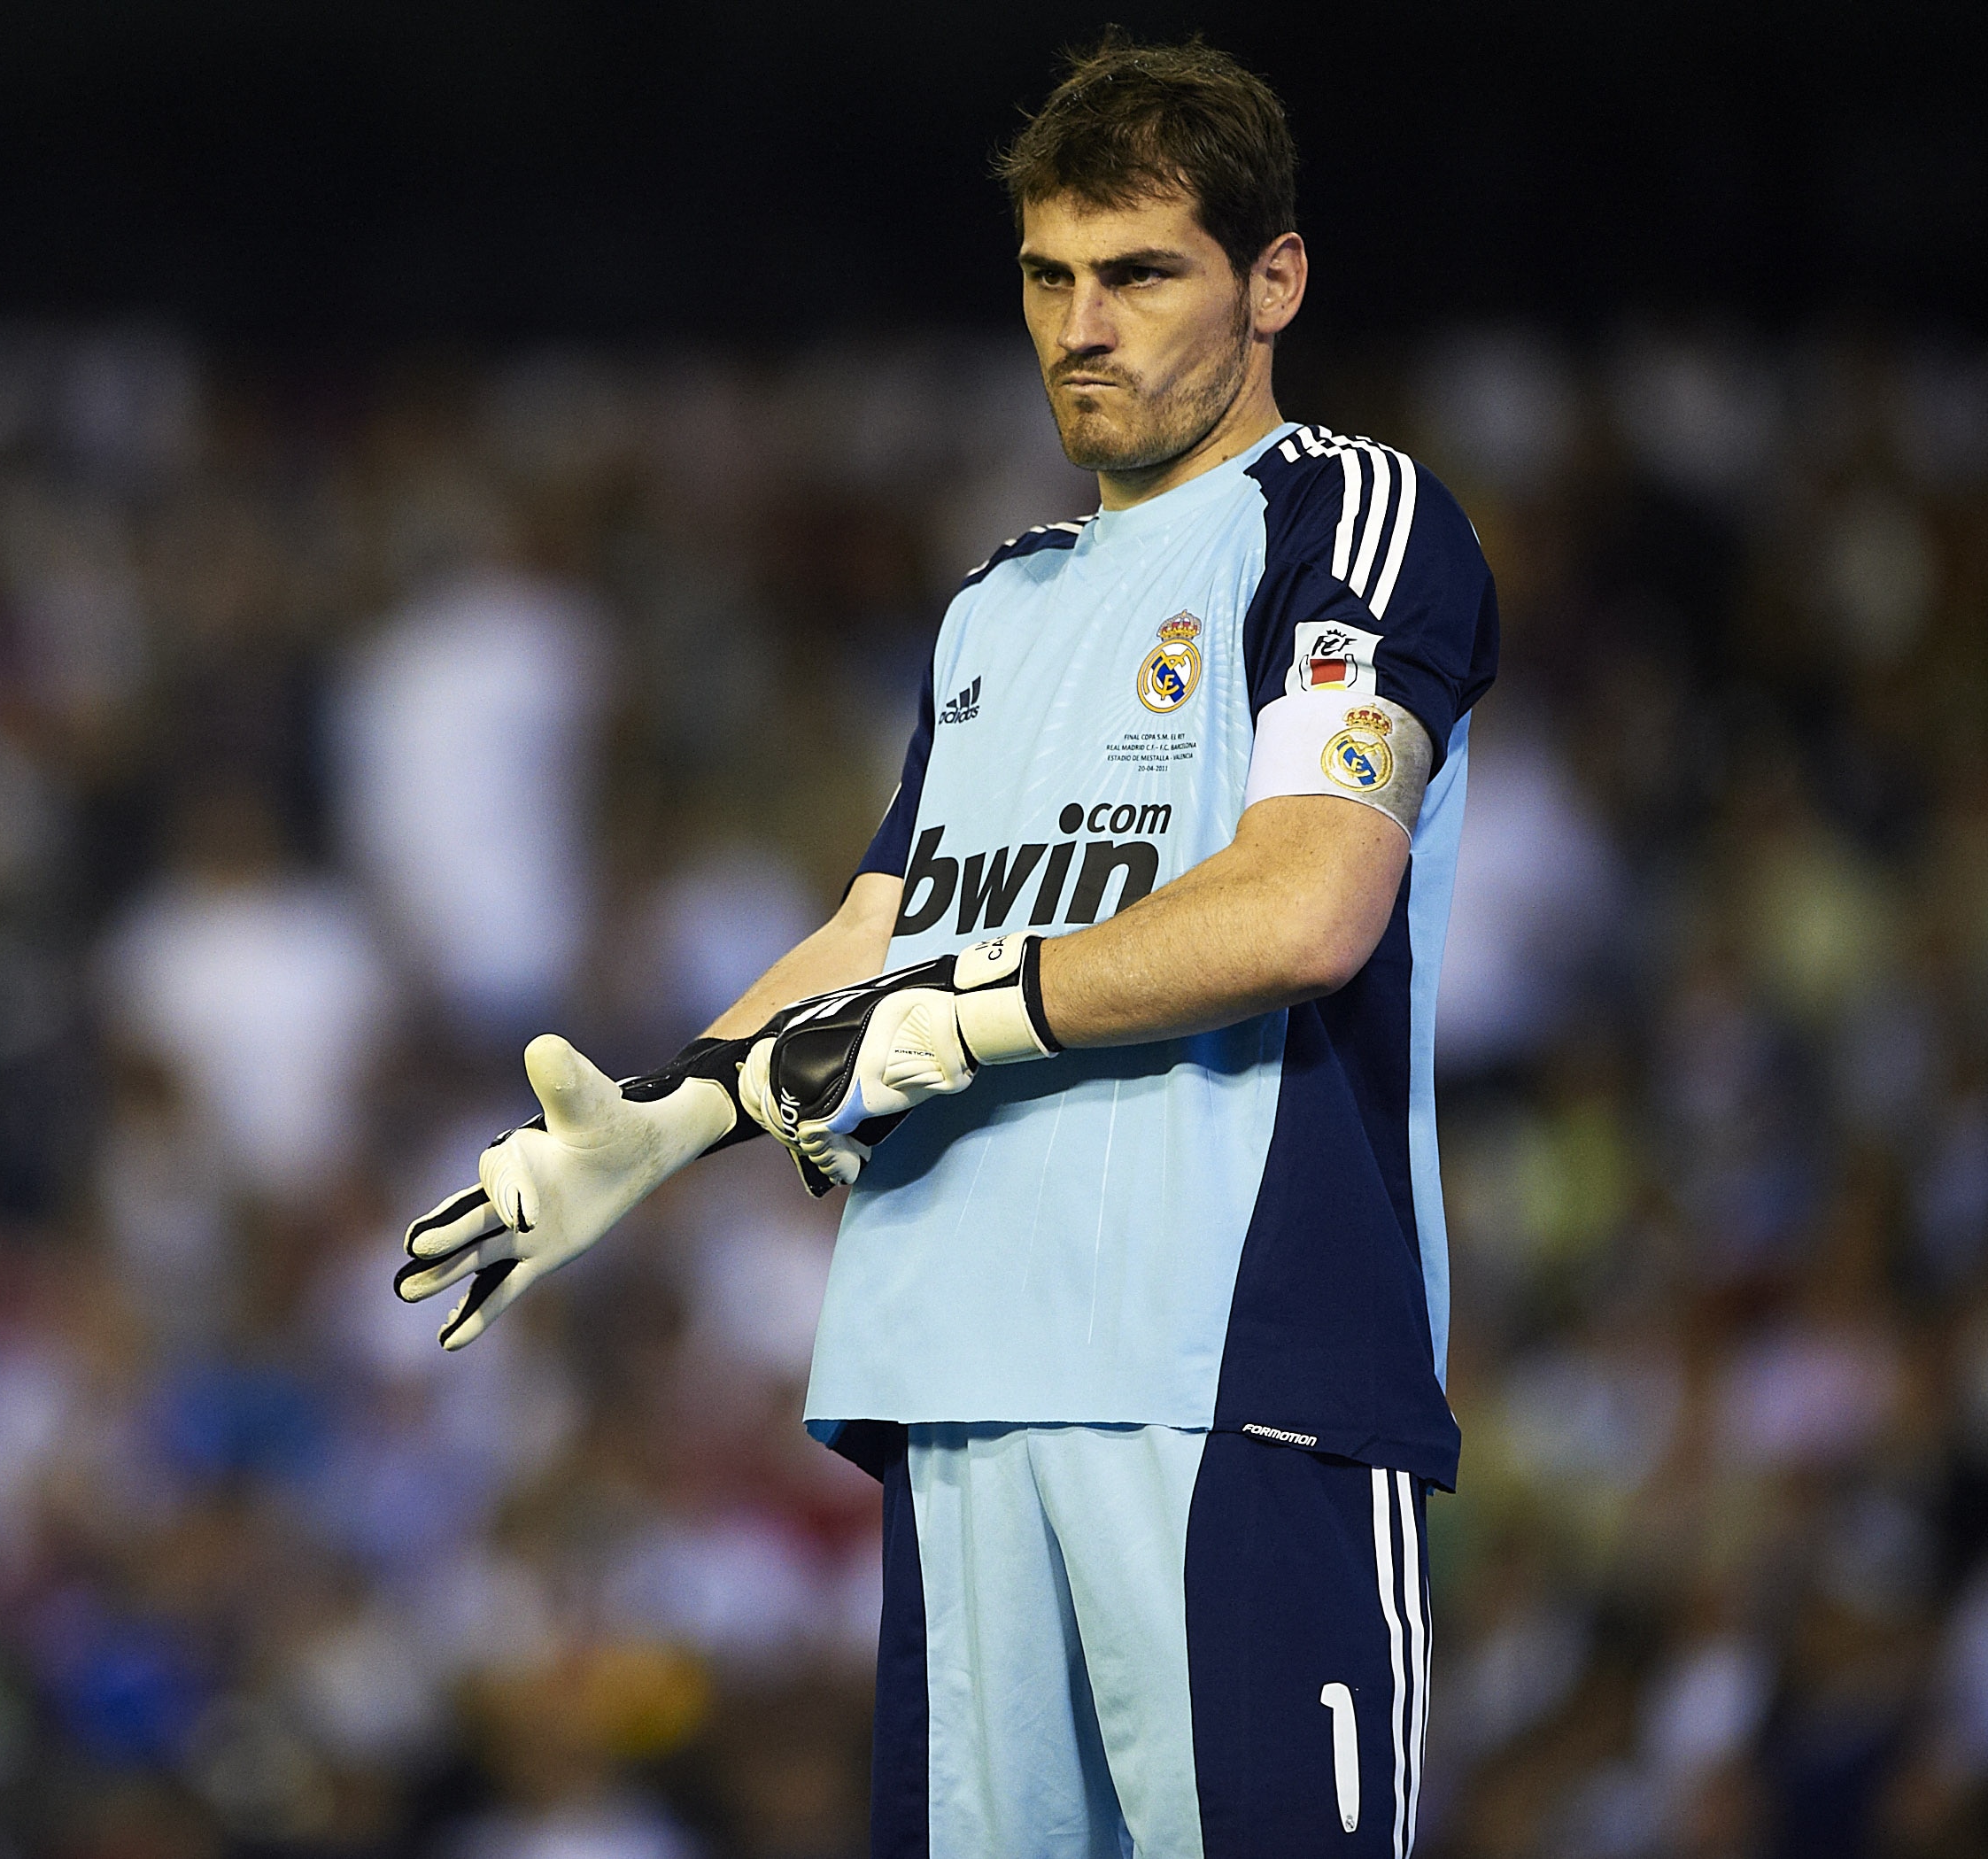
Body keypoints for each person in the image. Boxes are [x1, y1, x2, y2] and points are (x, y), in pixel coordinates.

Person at [400, 32, 1496, 1858]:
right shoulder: (1003, 600)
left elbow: (1310, 904)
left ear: (1274, 278)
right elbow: (887, 928)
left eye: (1141, 273)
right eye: (1049, 279)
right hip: (952, 1366)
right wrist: (664, 1122)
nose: (1084, 325)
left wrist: (968, 1021)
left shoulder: (1348, 520)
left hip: (1227, 1381)